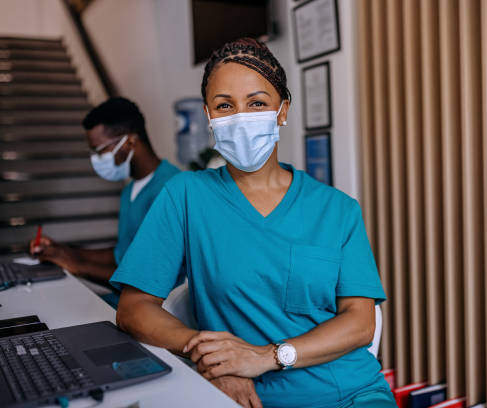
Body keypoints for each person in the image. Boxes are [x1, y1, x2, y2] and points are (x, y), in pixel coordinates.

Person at [111, 39, 395, 408]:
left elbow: (360, 323)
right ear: (209, 116)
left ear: (282, 111)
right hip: (249, 397)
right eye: (225, 105)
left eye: (257, 103)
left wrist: (268, 356)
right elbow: (133, 309)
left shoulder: (338, 209)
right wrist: (215, 360)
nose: (240, 117)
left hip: (352, 391)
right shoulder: (185, 196)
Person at [29, 97, 181, 308]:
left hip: (151, 311)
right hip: (121, 303)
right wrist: (63, 251)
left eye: (99, 151)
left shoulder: (172, 189)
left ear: (129, 142)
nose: (96, 159)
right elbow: (124, 254)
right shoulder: (130, 190)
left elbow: (147, 277)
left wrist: (79, 266)